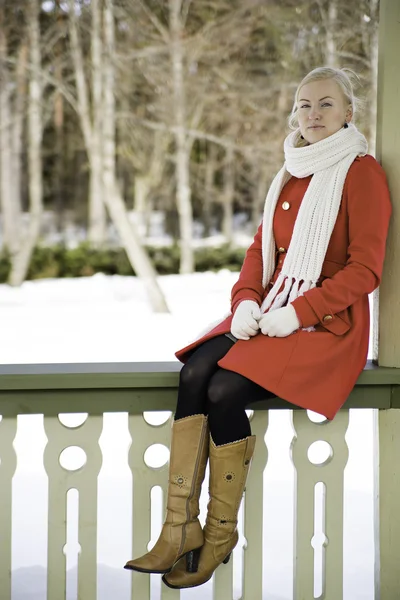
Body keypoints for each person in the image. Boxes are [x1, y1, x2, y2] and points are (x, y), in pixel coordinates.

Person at [124, 66, 392, 589]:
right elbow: (260, 249)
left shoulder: (361, 172)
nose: (312, 115)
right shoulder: (290, 171)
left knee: (223, 389)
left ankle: (219, 536)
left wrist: (300, 311)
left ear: (349, 114)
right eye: (304, 105)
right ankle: (179, 527)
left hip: (324, 322)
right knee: (196, 369)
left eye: (326, 105)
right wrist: (245, 299)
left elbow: (366, 270)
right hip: (271, 307)